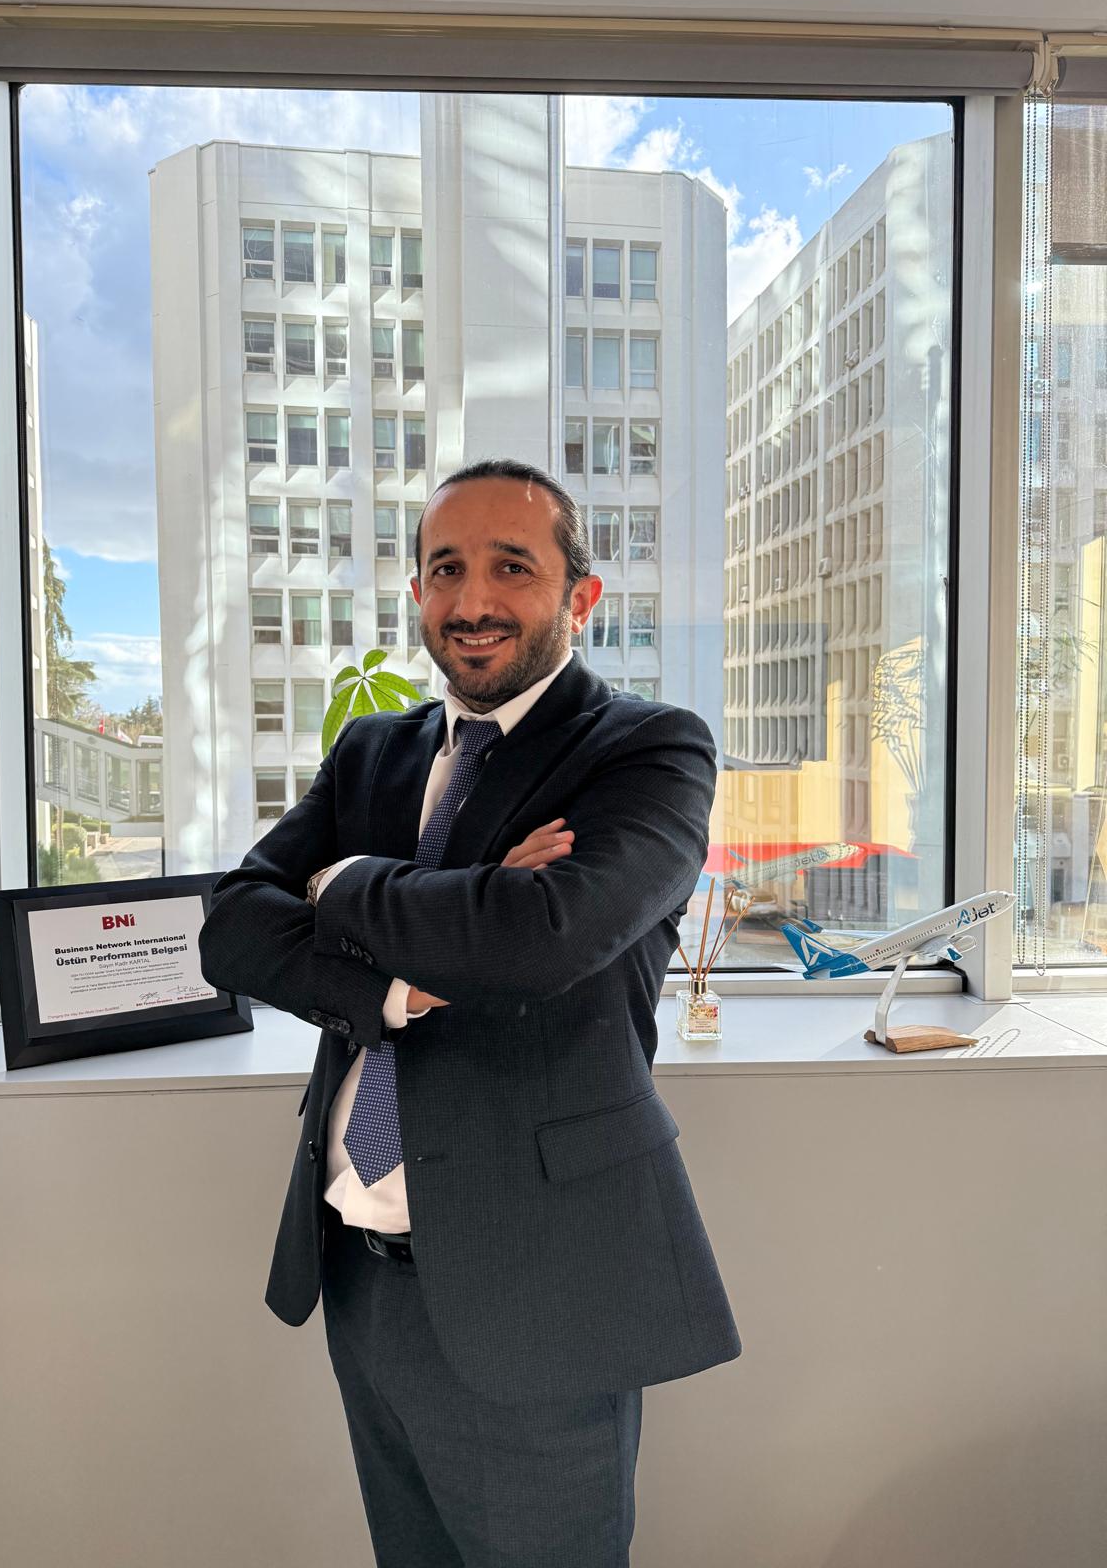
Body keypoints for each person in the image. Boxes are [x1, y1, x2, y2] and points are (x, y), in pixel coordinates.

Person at [198, 457, 742, 1568]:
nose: (473, 600)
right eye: (446, 569)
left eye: (513, 567)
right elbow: (232, 927)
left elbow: (545, 937)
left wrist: (340, 882)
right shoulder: (374, 750)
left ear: (581, 596)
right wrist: (396, 981)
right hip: (359, 1265)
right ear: (417, 591)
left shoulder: (648, 748)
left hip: (538, 1282)